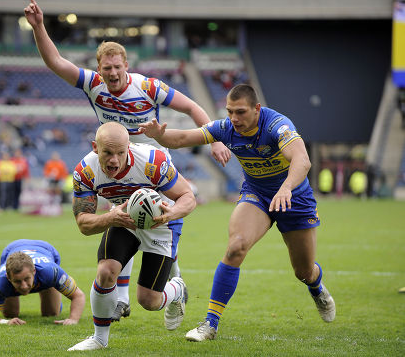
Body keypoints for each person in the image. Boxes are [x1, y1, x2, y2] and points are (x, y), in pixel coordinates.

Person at [24, 0, 231, 321]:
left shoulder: (148, 87)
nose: (112, 74)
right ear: (99, 69)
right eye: (106, 69)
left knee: (159, 221)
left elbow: (191, 106)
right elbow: (55, 62)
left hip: (152, 167)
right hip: (115, 164)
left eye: (117, 68)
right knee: (123, 219)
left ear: (126, 67)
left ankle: (169, 284)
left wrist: (213, 138)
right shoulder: (93, 85)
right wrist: (38, 26)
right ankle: (122, 298)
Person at [139, 84, 336, 341]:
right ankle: (210, 323)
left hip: (294, 198)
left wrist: (287, 188)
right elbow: (183, 139)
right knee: (236, 247)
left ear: (257, 109)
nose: (234, 118)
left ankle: (316, 287)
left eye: (240, 112)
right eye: (230, 111)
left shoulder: (277, 125)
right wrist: (159, 136)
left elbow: (302, 160)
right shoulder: (226, 128)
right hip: (257, 194)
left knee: (303, 271)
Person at [67, 122, 196, 351]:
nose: (114, 160)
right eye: (107, 152)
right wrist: (111, 218)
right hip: (122, 217)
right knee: (106, 272)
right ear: (95, 147)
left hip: (161, 223)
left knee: (148, 300)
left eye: (120, 153)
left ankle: (177, 289)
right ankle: (99, 338)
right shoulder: (85, 171)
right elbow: (83, 224)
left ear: (130, 147)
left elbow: (188, 197)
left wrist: (171, 213)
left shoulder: (152, 162)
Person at [0, 239, 85, 325]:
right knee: (10, 314)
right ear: (8, 277)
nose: (24, 286)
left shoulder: (51, 272)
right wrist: (6, 322)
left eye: (26, 279)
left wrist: (73, 319)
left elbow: (78, 296)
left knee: (51, 313)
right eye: (17, 281)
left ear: (34, 271)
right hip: (10, 249)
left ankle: (52, 287)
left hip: (45, 248)